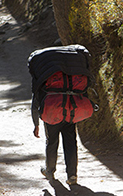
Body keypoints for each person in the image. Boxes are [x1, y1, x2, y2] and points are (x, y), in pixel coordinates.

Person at [28, 44, 93, 187]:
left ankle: (50, 171)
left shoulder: (45, 75)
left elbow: (36, 100)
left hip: (52, 112)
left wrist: (36, 124)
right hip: (71, 109)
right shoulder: (72, 76)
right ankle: (72, 175)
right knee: (71, 142)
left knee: (52, 142)